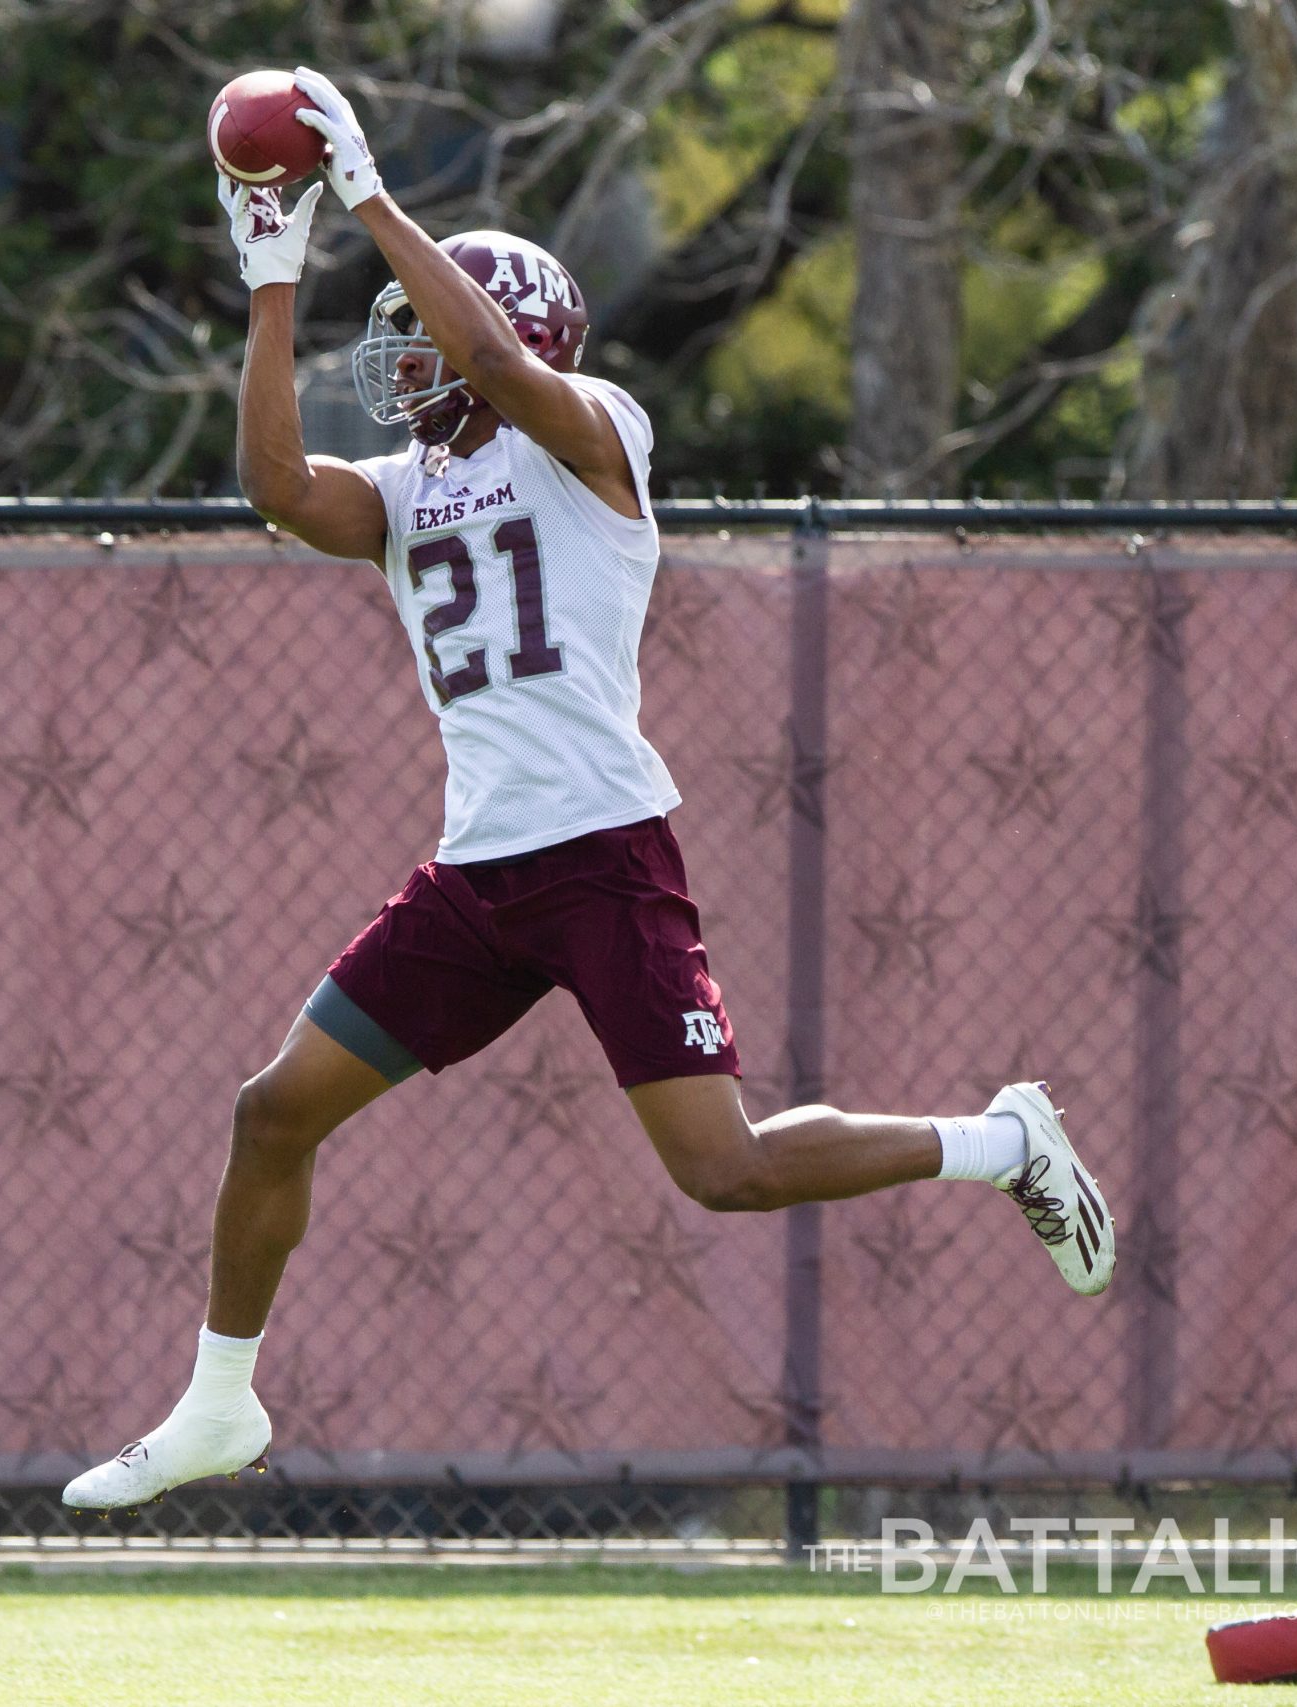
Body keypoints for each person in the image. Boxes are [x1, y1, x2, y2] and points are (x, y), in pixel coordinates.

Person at [61, 67, 1113, 1512]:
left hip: (604, 854)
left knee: (723, 1174)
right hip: (478, 872)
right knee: (274, 1110)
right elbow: (276, 489)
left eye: (419, 334)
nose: (407, 362)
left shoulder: (596, 434)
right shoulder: (407, 492)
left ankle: (1001, 1143)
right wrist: (272, 277)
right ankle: (218, 1404)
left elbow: (496, 373)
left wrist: (369, 193)